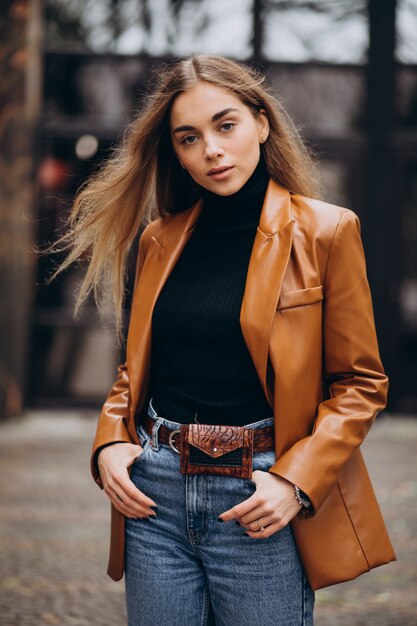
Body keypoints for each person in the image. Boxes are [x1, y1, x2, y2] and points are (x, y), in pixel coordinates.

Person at [53, 55, 395, 625]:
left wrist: (296, 481)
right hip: (154, 496)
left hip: (258, 494)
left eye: (225, 125)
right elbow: (136, 370)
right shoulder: (159, 241)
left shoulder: (327, 232)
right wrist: (110, 441)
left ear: (261, 123)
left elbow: (360, 383)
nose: (210, 149)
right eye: (189, 138)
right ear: (177, 154)